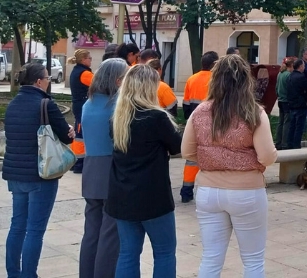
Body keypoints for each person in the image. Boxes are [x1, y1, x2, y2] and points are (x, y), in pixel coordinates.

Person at [181, 55, 277, 277]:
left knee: (211, 258)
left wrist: (214, 158)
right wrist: (244, 161)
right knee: (253, 260)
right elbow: (267, 155)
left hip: (208, 191)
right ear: (246, 80)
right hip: (247, 192)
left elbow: (187, 151)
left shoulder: (201, 111)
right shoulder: (254, 112)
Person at [106, 65, 181, 278]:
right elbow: (177, 146)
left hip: (122, 195)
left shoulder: (118, 118)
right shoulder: (156, 118)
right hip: (153, 197)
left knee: (128, 253)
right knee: (165, 252)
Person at [3, 63, 75, 276]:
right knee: (35, 230)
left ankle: (13, 273)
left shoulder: (12, 104)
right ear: (38, 82)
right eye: (47, 78)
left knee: (17, 226)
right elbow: (64, 136)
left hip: (15, 173)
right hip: (41, 175)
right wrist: (69, 131)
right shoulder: (45, 104)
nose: (48, 81)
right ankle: (29, 274)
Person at [79, 58, 127, 278]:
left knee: (91, 233)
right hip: (111, 170)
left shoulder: (88, 103)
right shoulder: (117, 106)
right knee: (110, 235)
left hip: (91, 169)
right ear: (118, 80)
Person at [181, 51, 219, 203]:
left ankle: (186, 191)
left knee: (191, 160)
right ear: (214, 65)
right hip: (213, 124)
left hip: (194, 123)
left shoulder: (191, 79)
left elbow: (185, 104)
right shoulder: (217, 80)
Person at [68, 49, 93, 174]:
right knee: (80, 135)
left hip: (78, 105)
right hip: (82, 106)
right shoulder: (85, 74)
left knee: (79, 132)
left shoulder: (76, 71)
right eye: (89, 58)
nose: (91, 60)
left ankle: (75, 161)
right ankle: (79, 163)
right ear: (83, 59)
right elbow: (99, 84)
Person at [286, 59, 307, 149]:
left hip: (292, 103)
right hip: (301, 104)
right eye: (304, 66)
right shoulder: (301, 77)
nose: (304, 68)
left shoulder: (290, 76)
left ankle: (289, 143)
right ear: (300, 66)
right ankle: (296, 145)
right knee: (299, 126)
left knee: (292, 125)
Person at [274, 58, 294, 150]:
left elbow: (276, 87)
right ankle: (284, 143)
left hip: (280, 100)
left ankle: (278, 142)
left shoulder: (280, 73)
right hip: (287, 100)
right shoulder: (289, 75)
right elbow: (290, 89)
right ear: (291, 66)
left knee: (280, 122)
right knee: (287, 122)